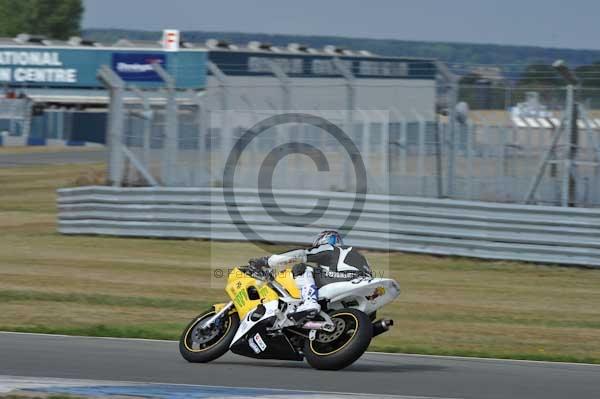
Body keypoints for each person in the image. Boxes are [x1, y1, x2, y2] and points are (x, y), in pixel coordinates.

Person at [250, 230, 372, 320]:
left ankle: (309, 303)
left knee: (302, 268)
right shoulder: (358, 255)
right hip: (364, 287)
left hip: (343, 280)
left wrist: (267, 261)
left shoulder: (328, 248)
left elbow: (299, 254)